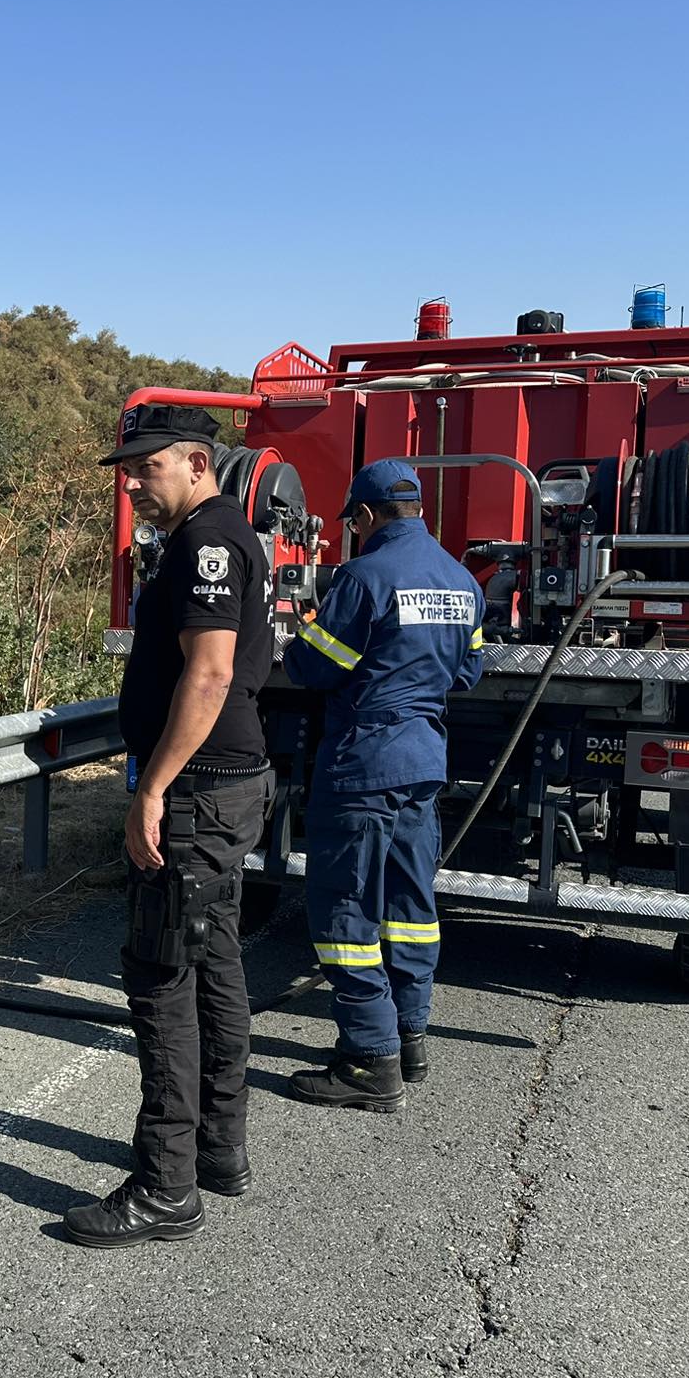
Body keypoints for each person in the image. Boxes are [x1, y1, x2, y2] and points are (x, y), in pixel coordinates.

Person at [63, 404, 277, 1249]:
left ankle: (164, 1186)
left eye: (145, 469)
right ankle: (218, 1150)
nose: (133, 484)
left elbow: (212, 671)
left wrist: (151, 788)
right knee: (214, 959)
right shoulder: (214, 536)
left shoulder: (208, 544)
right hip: (225, 786)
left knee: (162, 977)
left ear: (195, 461)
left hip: (198, 793)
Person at [282, 459, 484, 1111]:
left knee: (345, 911)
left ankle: (371, 1062)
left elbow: (315, 666)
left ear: (366, 516)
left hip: (363, 764)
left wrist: (305, 630)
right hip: (424, 763)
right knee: (410, 911)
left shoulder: (364, 577)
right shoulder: (460, 580)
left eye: (354, 522)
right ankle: (410, 1038)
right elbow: (470, 671)